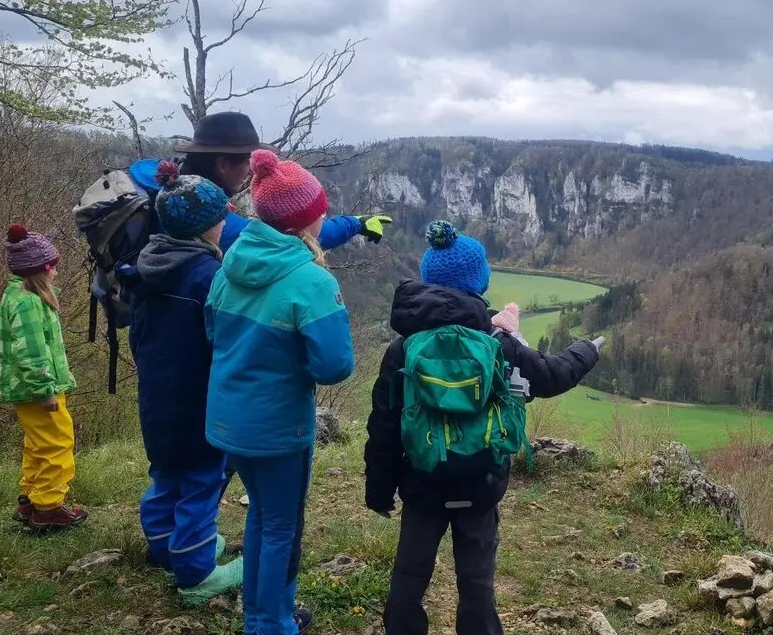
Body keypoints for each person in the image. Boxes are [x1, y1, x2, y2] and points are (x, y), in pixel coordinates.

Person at [364, 220, 603, 635]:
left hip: (421, 482)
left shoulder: (403, 348)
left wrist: (379, 492)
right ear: (478, 282)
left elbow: (383, 427)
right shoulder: (498, 342)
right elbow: (550, 376)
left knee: (408, 577)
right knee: (476, 582)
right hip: (480, 483)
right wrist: (586, 349)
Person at [205, 150, 356, 634]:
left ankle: (262, 614)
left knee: (262, 521)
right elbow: (334, 366)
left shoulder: (229, 265)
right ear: (307, 219)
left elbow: (212, 331)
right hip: (277, 427)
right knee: (281, 530)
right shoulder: (311, 280)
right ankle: (271, 624)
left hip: (228, 419)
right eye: (320, 210)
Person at [128, 162, 244, 604]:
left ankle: (163, 547)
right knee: (200, 480)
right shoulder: (208, 278)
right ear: (208, 228)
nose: (225, 223)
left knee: (166, 473)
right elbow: (221, 343)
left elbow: (140, 339)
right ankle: (195, 572)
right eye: (222, 218)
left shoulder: (145, 269)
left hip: (156, 397)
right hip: (199, 400)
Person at [164, 111, 392, 252]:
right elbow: (292, 239)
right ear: (223, 164)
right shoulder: (211, 223)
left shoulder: (170, 195)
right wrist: (355, 224)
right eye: (247, 162)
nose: (250, 172)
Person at [0, 225, 86, 530]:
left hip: (29, 390)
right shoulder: (28, 303)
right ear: (39, 271)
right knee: (57, 443)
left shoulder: (16, 296)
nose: (56, 274)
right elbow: (32, 353)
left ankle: (31, 500)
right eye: (53, 268)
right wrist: (45, 389)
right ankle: (48, 508)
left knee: (37, 444)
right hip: (39, 391)